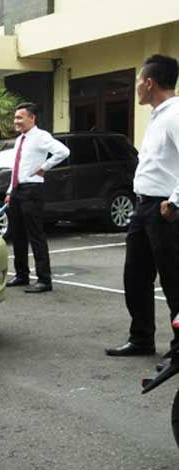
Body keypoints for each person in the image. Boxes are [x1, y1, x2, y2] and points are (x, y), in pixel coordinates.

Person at [105, 55, 179, 367]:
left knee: (175, 280)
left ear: (149, 82)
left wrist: (175, 202)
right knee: (135, 276)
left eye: (138, 81)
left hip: (166, 209)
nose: (136, 88)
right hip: (143, 206)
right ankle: (141, 338)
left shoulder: (175, 115)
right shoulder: (158, 116)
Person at [4, 102, 69, 294]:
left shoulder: (41, 137)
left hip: (32, 190)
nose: (16, 121)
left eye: (20, 117)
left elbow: (64, 152)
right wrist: (9, 191)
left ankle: (44, 279)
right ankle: (21, 274)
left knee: (36, 235)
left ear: (32, 118)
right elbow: (16, 169)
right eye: (15, 118)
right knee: (18, 234)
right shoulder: (20, 139)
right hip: (17, 189)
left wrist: (44, 168)